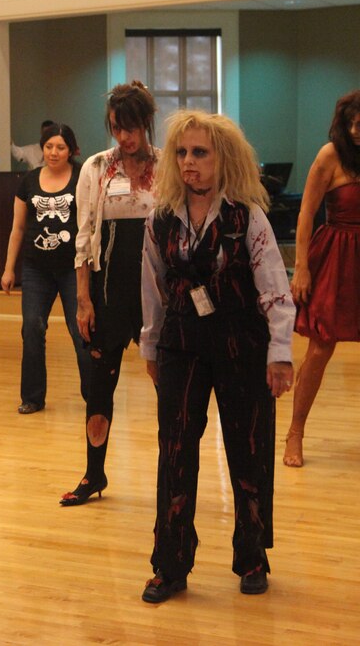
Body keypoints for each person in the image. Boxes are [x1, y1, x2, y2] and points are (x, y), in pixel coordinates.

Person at [139, 110, 294, 602]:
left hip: (242, 344)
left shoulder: (247, 216)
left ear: (222, 159)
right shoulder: (160, 218)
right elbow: (154, 288)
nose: (189, 162)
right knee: (175, 452)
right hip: (180, 344)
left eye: (200, 153)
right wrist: (150, 344)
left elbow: (274, 289)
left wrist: (281, 353)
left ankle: (252, 557)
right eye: (182, 153)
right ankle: (170, 564)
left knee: (249, 450)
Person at [61, 81, 159, 506]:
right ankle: (93, 474)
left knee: (169, 388)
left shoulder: (168, 166)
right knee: (98, 387)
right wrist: (83, 300)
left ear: (146, 124)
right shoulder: (97, 168)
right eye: (117, 128)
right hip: (105, 294)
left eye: (132, 128)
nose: (125, 137)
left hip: (156, 295)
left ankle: (173, 476)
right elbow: (83, 236)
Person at [285, 90, 360, 467]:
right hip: (337, 256)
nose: (356, 131)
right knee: (320, 347)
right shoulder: (329, 156)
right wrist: (301, 266)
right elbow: (305, 214)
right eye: (352, 124)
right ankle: (295, 432)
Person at [1, 123, 90, 414]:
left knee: (81, 331)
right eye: (49, 146)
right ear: (42, 148)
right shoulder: (28, 181)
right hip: (36, 268)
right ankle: (33, 397)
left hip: (72, 269)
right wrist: (8, 269)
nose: (54, 152)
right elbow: (17, 228)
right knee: (32, 328)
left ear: (71, 150)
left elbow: (92, 226)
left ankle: (94, 394)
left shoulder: (82, 178)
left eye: (60, 147)